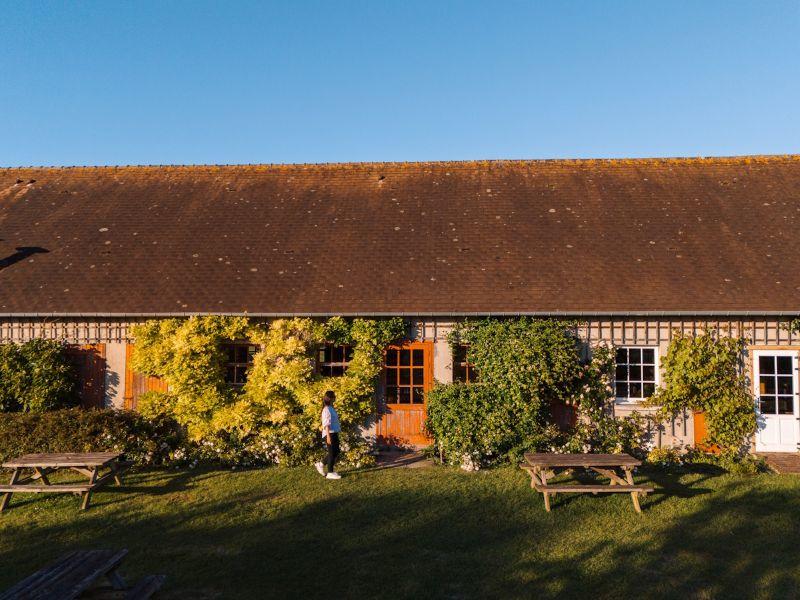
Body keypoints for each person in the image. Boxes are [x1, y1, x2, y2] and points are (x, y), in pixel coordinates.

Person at [315, 390, 341, 479]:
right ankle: (330, 472)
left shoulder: (331, 408)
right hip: (329, 433)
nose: (335, 398)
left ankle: (320, 464)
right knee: (331, 453)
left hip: (334, 432)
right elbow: (326, 424)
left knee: (336, 451)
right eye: (334, 396)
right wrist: (328, 437)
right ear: (330, 398)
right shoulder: (326, 409)